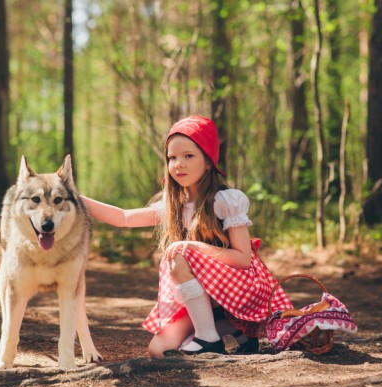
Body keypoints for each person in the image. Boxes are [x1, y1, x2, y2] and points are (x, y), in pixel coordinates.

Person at [81, 115, 293, 356]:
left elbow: (244, 259)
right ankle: (232, 331)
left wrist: (192, 246)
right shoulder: (176, 205)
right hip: (204, 297)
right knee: (158, 351)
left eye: (188, 156)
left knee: (179, 256)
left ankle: (208, 338)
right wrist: (74, 197)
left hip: (238, 290)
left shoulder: (225, 200)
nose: (178, 164)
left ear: (209, 161)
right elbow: (124, 218)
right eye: (172, 158)